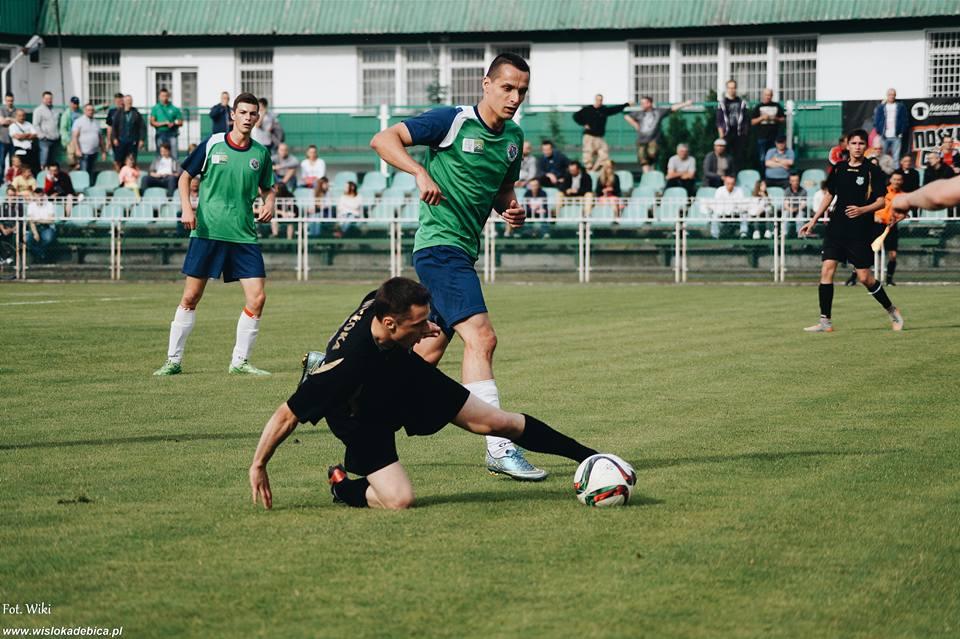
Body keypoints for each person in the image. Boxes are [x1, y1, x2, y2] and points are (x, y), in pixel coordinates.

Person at [250, 278, 601, 510]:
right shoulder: (346, 366)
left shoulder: (381, 301)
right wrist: (259, 464)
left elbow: (386, 307)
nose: (428, 330)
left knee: (495, 422)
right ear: (390, 324)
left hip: (401, 371)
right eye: (419, 325)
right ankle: (342, 487)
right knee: (399, 500)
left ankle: (591, 458)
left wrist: (422, 325)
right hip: (359, 415)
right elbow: (286, 415)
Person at [369, 52, 546, 480]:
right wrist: (419, 172)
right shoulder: (452, 121)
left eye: (522, 91)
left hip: (463, 251)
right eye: (507, 87)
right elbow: (383, 139)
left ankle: (341, 377)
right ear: (486, 84)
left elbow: (502, 190)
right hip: (440, 249)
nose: (515, 97)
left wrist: (511, 208)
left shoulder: (513, 138)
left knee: (424, 354)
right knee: (482, 339)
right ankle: (499, 447)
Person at [153, 92, 276, 377]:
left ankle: (240, 362)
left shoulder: (261, 153)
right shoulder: (213, 143)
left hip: (244, 236)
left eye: (252, 113)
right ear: (232, 115)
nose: (247, 118)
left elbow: (269, 188)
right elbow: (185, 177)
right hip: (208, 232)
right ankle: (173, 360)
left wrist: (269, 203)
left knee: (257, 299)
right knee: (190, 297)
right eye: (242, 112)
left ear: (258, 118)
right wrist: (187, 208)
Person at [799, 129, 903, 333]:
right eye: (853, 143)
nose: (857, 147)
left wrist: (862, 210)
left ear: (866, 147)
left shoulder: (872, 171)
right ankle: (825, 322)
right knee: (827, 269)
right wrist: (813, 220)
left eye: (861, 143)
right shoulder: (839, 168)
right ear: (847, 146)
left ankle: (892, 310)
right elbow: (829, 195)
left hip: (859, 231)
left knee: (865, 278)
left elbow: (881, 202)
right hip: (836, 228)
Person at [624, 96, 692, 173]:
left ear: (649, 103)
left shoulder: (658, 112)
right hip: (641, 140)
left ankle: (652, 172)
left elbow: (672, 108)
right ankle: (647, 174)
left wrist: (685, 104)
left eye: (643, 103)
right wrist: (635, 124)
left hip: (653, 140)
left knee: (652, 155)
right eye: (641, 103)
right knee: (643, 159)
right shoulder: (639, 113)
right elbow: (626, 116)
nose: (642, 105)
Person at [573, 94, 629, 171]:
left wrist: (626, 105)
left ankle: (595, 169)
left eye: (600, 100)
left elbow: (614, 109)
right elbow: (576, 116)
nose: (599, 102)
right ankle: (588, 169)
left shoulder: (603, 110)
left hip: (599, 136)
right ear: (595, 100)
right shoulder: (588, 109)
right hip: (589, 136)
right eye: (598, 100)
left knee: (604, 153)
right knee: (588, 153)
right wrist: (584, 124)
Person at [880, 171, 905, 285]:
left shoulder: (903, 196)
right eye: (895, 179)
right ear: (890, 180)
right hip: (877, 225)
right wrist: (875, 216)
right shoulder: (882, 191)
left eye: (899, 180)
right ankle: (853, 277)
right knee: (867, 252)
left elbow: (904, 214)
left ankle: (889, 280)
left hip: (891, 227)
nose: (896, 182)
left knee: (893, 255)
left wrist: (896, 220)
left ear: (902, 181)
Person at [750, 88, 785, 170]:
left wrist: (775, 118)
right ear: (763, 96)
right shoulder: (758, 107)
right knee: (762, 158)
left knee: (774, 157)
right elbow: (752, 122)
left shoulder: (777, 106)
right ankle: (763, 174)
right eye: (766, 95)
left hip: (774, 136)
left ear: (772, 96)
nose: (768, 97)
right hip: (762, 137)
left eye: (769, 95)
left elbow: (783, 119)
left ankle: (772, 173)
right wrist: (762, 118)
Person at [716, 79, 749, 165]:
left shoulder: (742, 103)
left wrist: (745, 133)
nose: (731, 90)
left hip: (739, 133)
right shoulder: (722, 103)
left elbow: (746, 119)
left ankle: (737, 172)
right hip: (726, 133)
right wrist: (721, 134)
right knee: (726, 156)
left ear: (736, 89)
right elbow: (719, 120)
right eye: (730, 88)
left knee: (739, 156)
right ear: (727, 89)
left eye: (733, 88)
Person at [708, 172, 749, 239]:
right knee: (714, 215)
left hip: (736, 213)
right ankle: (715, 235)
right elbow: (717, 205)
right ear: (724, 183)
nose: (730, 185)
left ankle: (743, 234)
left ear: (734, 183)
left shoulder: (739, 190)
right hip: (722, 213)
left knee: (744, 215)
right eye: (728, 183)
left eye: (732, 183)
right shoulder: (719, 190)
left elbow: (741, 205)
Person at [110, 95, 146, 167]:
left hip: (132, 141)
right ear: (124, 102)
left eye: (130, 101)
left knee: (131, 160)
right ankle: (121, 173)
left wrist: (141, 139)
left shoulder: (136, 113)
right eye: (127, 101)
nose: (129, 102)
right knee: (119, 160)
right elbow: (114, 127)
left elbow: (142, 127)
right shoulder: (118, 113)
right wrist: (114, 138)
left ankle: (130, 173)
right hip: (121, 140)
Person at [873, 88, 907, 160]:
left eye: (893, 95)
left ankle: (895, 168)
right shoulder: (881, 107)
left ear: (895, 95)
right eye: (890, 95)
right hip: (884, 136)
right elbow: (877, 120)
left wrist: (901, 132)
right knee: (882, 157)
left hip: (896, 136)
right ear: (887, 95)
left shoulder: (900, 107)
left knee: (896, 158)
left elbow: (904, 120)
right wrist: (879, 132)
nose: (891, 96)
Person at [71, 102, 104, 178]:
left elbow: (100, 137)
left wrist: (103, 151)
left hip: (94, 152)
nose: (90, 112)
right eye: (88, 110)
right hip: (83, 152)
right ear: (84, 111)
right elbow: (75, 137)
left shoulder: (96, 122)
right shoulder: (79, 121)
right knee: (84, 172)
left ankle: (90, 184)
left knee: (91, 171)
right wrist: (77, 149)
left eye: (92, 110)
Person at [150, 88, 183, 161]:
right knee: (160, 153)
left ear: (168, 96)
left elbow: (180, 122)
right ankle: (160, 167)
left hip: (172, 133)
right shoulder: (155, 108)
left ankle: (175, 167)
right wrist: (164, 123)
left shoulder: (174, 108)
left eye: (166, 96)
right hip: (160, 133)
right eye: (162, 96)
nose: (164, 98)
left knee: (174, 153)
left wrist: (174, 123)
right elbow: (152, 122)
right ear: (159, 96)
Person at [26, 190, 57, 263]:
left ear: (43, 195)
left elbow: (51, 220)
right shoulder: (31, 205)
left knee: (48, 238)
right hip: (35, 227)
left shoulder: (49, 204)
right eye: (37, 196)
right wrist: (35, 233)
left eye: (41, 195)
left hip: (47, 227)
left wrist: (38, 220)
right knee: (26, 239)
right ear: (34, 196)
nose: (39, 198)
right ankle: (42, 255)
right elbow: (31, 221)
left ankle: (39, 256)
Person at [32, 91, 60, 169]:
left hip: (55, 140)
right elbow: (35, 125)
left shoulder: (55, 110)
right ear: (43, 99)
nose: (49, 100)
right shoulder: (38, 110)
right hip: (45, 141)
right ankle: (43, 174)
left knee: (52, 163)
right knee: (44, 161)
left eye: (50, 98)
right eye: (47, 98)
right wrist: (42, 136)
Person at [9, 109, 39, 175]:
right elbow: (18, 137)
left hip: (30, 151)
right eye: (19, 116)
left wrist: (23, 136)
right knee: (20, 170)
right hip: (19, 151)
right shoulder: (13, 126)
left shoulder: (28, 124)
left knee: (30, 170)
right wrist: (28, 134)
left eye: (23, 115)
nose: (22, 117)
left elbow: (35, 135)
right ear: (16, 116)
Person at [59, 96, 81, 170]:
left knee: (79, 157)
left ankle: (78, 170)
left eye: (77, 103)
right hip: (70, 138)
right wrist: (67, 140)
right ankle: (72, 171)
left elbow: (91, 109)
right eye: (74, 103)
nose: (75, 105)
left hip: (80, 138)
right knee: (71, 157)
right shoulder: (66, 114)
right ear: (70, 103)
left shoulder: (80, 111)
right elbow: (63, 128)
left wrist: (102, 106)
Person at [783, 173, 808, 237]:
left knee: (800, 215)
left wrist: (797, 209)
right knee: (785, 214)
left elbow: (803, 204)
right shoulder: (787, 190)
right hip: (789, 209)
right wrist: (791, 209)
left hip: (800, 209)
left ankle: (800, 234)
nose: (795, 182)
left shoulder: (803, 191)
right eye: (793, 181)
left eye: (797, 180)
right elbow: (786, 204)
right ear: (790, 182)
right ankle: (784, 233)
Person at [0, 93, 15, 171]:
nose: (10, 102)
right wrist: (12, 120)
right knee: (1, 161)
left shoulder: (16, 110)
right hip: (3, 139)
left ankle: (11, 177)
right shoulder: (1, 110)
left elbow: (18, 122)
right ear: (5, 101)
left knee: (13, 162)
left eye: (11, 100)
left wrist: (7, 119)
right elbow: (2, 122)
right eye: (8, 101)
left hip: (13, 140)